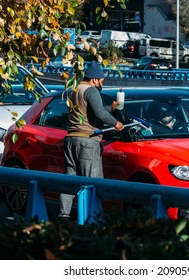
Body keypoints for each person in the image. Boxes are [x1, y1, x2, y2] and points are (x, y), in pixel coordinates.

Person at [58, 60, 124, 220]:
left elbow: (91, 113)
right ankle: (93, 219)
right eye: (101, 81)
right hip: (87, 141)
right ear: (94, 79)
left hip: (71, 140)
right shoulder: (92, 90)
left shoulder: (75, 89)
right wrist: (116, 122)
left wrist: (111, 109)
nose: (102, 84)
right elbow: (100, 115)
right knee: (92, 182)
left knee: (70, 179)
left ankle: (63, 215)